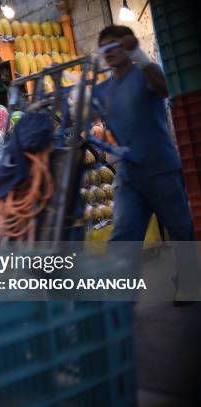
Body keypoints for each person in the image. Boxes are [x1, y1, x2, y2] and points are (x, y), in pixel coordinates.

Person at [96, 25, 198, 303]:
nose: (110, 52)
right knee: (124, 233)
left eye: (116, 45)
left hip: (160, 166)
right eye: (105, 47)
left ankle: (191, 283)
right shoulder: (103, 89)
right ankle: (119, 295)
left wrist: (139, 54)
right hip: (129, 174)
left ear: (127, 46)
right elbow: (85, 114)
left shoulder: (145, 75)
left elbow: (165, 89)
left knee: (180, 229)